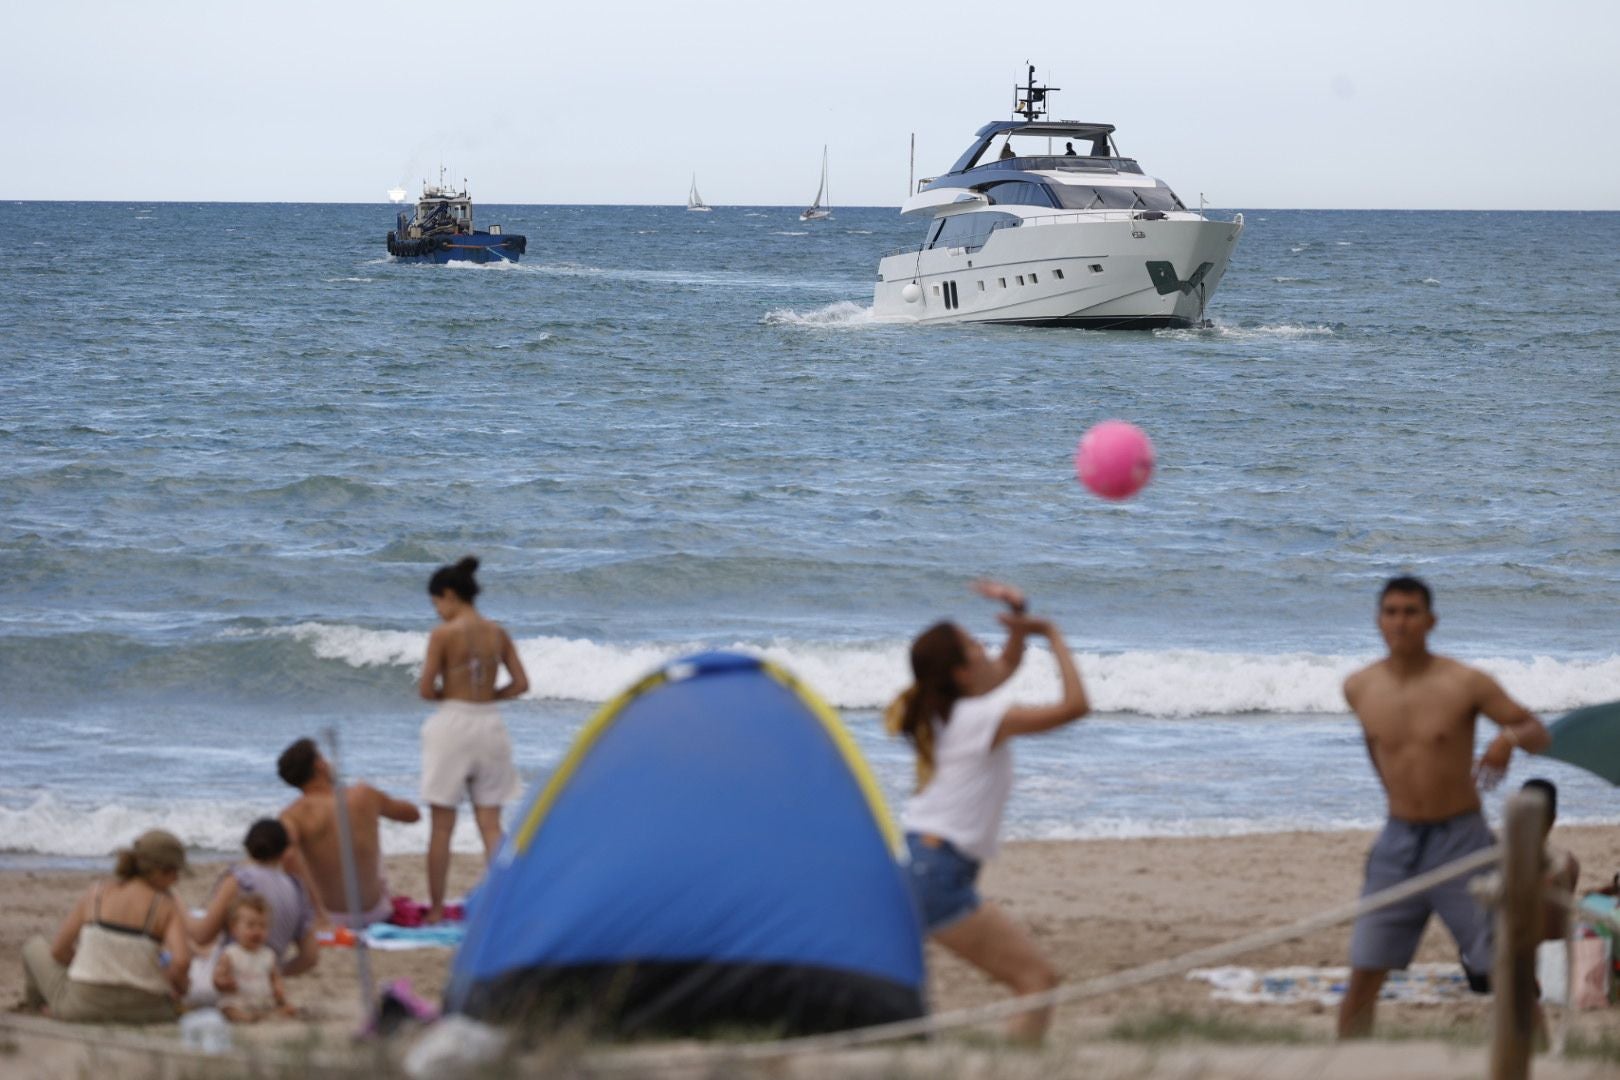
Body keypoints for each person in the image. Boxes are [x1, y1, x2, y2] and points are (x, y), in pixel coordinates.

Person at [1336, 575, 1551, 1038]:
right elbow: (1380, 754)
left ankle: (1548, 1061)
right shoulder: (1359, 687)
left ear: (1430, 620)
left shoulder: (1464, 683)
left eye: (1411, 612)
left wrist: (1506, 738)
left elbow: (1537, 729)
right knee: (1365, 972)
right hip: (1398, 841)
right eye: (1391, 612)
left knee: (1506, 968)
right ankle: (1348, 1064)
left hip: (1461, 840)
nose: (1401, 622)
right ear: (1378, 620)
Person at [886, 580, 1090, 1043]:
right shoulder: (979, 717)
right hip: (938, 873)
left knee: (908, 1012)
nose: (985, 647)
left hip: (923, 863)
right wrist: (1052, 634)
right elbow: (1076, 707)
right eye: (974, 643)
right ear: (960, 672)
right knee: (1036, 981)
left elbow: (1006, 666)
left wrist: (1020, 615)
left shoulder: (945, 711)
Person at [419, 555, 529, 923]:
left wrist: (451, 696)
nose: (437, 612)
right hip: (490, 725)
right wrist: (488, 697)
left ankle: (436, 910)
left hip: (453, 723)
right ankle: (506, 904)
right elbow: (521, 684)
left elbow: (425, 688)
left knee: (442, 826)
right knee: (491, 823)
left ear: (449, 595)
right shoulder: (497, 632)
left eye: (437, 603)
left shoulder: (442, 635)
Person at [20, 830, 192, 1023]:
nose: (176, 880)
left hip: (84, 1006)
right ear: (160, 871)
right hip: (147, 1010)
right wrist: (180, 987)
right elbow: (181, 962)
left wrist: (86, 967)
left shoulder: (97, 893)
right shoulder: (166, 905)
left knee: (33, 947)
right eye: (174, 873)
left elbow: (59, 950)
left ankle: (38, 1011)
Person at [278, 738, 421, 928]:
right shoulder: (364, 794)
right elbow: (413, 815)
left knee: (295, 853)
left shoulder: (292, 814)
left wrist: (318, 914)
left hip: (329, 917)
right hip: (376, 913)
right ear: (318, 764)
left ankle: (319, 908)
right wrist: (377, 800)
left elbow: (287, 856)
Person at [187, 819, 317, 1004]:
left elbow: (202, 935)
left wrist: (177, 911)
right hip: (264, 989)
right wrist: (268, 972)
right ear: (284, 851)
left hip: (228, 983)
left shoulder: (240, 879)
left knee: (185, 947)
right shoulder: (295, 888)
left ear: (248, 846)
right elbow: (310, 957)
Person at [215, 895, 295, 1022]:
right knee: (229, 1009)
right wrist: (223, 983)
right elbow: (217, 977)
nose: (257, 931)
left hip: (261, 1001)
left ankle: (265, 1016)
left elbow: (274, 977)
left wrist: (279, 991)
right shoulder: (231, 953)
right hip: (238, 1000)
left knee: (285, 1009)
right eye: (251, 925)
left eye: (262, 926)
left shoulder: (268, 954)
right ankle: (246, 1018)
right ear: (234, 928)